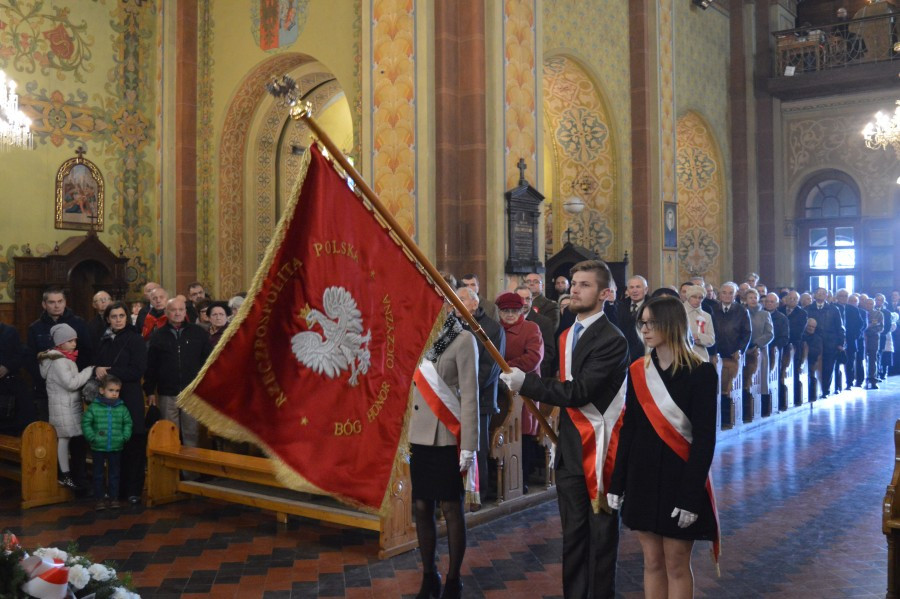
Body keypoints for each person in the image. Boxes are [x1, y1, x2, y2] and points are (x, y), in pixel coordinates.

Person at [501, 259, 628, 599]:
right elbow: (562, 384)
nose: (575, 290)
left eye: (585, 285)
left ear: (605, 294)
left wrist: (527, 383)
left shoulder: (612, 339)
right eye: (574, 284)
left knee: (601, 540)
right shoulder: (567, 334)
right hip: (571, 450)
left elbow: (578, 392)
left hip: (600, 451)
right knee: (572, 538)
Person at [608, 295, 719, 599]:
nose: (644, 329)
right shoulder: (638, 370)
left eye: (652, 323)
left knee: (676, 564)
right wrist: (618, 481)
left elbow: (705, 439)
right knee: (652, 561)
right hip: (642, 476)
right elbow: (629, 429)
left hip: (679, 477)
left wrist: (690, 495)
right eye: (642, 323)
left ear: (671, 324)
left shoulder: (701, 373)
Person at [409, 296, 479, 599]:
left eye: (441, 302)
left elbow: (471, 395)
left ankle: (453, 579)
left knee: (451, 508)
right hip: (419, 436)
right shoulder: (416, 337)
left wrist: (469, 445)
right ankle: (429, 575)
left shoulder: (463, 340)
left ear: (450, 306)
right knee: (421, 506)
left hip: (447, 436)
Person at [93, 301, 148, 504]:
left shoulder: (135, 339)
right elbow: (97, 363)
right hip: (108, 399)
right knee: (114, 442)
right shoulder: (104, 339)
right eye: (114, 316)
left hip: (130, 396)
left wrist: (109, 371)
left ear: (127, 317)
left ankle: (133, 490)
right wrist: (96, 369)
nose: (118, 320)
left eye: (121, 316)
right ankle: (116, 489)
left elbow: (138, 370)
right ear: (108, 319)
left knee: (133, 441)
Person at [455, 285, 504, 503]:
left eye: (461, 299)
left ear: (474, 303)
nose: (455, 303)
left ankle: (477, 494)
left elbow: (489, 368)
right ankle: (456, 491)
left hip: (480, 399)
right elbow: (437, 355)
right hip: (453, 398)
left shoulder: (492, 329)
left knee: (477, 448)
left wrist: (465, 391)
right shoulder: (453, 326)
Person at [144, 297, 213, 452]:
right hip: (167, 392)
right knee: (169, 433)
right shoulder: (158, 335)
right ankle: (172, 467)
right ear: (166, 312)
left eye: (181, 310)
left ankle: (191, 467)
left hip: (191, 392)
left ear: (185, 311)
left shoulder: (198, 333)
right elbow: (151, 365)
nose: (177, 313)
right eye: (173, 310)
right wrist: (149, 390)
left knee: (192, 434)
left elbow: (207, 362)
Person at [495, 291, 543, 493]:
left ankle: (521, 478)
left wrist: (505, 368)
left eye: (514, 311)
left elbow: (534, 358)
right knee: (501, 432)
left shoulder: (531, 328)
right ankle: (500, 482)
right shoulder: (494, 329)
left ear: (522, 310)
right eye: (505, 311)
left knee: (522, 433)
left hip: (524, 388)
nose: (510, 315)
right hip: (499, 389)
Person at [38, 324, 94, 490]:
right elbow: (71, 384)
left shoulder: (60, 359)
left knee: (64, 439)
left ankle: (66, 474)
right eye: (70, 341)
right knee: (63, 439)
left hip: (64, 405)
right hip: (64, 406)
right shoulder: (60, 361)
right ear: (60, 343)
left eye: (75, 340)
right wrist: (89, 371)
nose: (74, 344)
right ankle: (65, 475)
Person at [81, 374, 132, 510]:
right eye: (111, 390)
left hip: (116, 446)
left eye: (117, 391)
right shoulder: (94, 407)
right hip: (98, 447)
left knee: (114, 474)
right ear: (102, 390)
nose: (114, 394)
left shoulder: (122, 408)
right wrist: (92, 437)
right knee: (98, 474)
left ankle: (114, 498)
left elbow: (128, 423)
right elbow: (86, 423)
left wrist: (124, 436)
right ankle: (99, 499)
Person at [619, 275, 650, 364]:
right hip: (624, 354)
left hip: (644, 353)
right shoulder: (620, 305)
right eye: (631, 287)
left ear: (646, 290)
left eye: (638, 287)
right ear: (627, 290)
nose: (634, 290)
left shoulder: (652, 306)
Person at [684, 285, 714, 361]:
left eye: (700, 297)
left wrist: (698, 337)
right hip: (683, 355)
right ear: (688, 297)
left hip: (701, 356)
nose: (697, 300)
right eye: (694, 297)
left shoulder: (707, 316)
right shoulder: (679, 313)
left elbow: (711, 340)